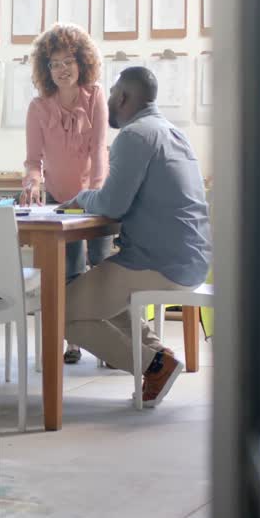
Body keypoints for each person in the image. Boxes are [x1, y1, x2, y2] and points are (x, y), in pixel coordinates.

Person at [57, 66, 211, 408]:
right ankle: (157, 354)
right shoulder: (172, 132)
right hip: (192, 258)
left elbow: (112, 204)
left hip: (158, 261)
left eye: (112, 94)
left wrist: (82, 197)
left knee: (60, 312)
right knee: (96, 290)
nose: (109, 100)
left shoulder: (135, 135)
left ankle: (154, 366)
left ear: (122, 97)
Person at [19, 23, 111, 364]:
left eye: (68, 61)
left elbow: (99, 148)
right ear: (46, 68)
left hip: (96, 195)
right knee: (70, 269)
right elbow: (33, 161)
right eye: (54, 63)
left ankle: (107, 340)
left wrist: (97, 195)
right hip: (59, 200)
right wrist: (33, 181)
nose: (61, 69)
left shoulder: (96, 96)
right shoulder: (38, 108)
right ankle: (74, 339)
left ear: (82, 61)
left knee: (102, 266)